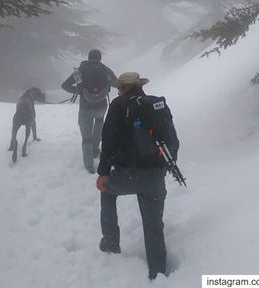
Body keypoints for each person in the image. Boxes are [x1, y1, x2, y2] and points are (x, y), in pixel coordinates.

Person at [96, 71, 179, 281]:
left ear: (124, 88)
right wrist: (170, 163)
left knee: (106, 192)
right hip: (155, 177)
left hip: (128, 175)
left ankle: (111, 240)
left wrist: (103, 173)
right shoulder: (156, 104)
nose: (118, 91)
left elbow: (108, 141)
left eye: (119, 88)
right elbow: (172, 139)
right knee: (153, 226)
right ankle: (158, 273)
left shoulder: (118, 105)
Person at [61, 49, 116, 173]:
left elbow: (64, 85)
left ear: (88, 57)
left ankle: (89, 165)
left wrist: (78, 90)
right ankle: (95, 150)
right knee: (99, 124)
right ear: (100, 58)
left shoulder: (80, 70)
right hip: (102, 107)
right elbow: (116, 83)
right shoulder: (105, 69)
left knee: (86, 137)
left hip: (85, 107)